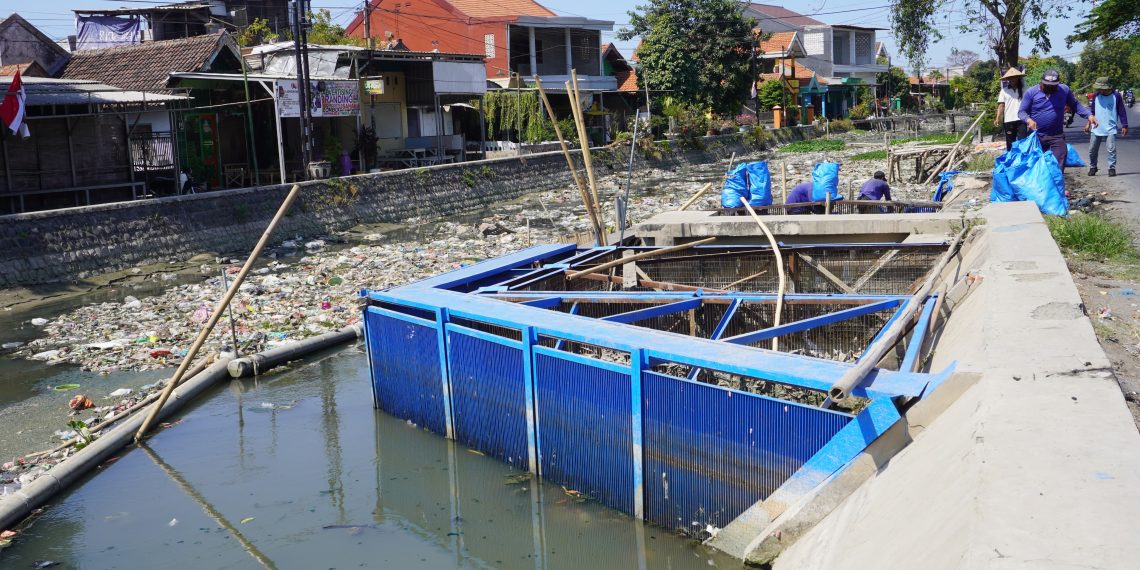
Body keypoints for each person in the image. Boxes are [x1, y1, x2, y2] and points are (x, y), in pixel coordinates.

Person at [1018, 69, 1097, 169]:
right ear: (1041, 82)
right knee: (1036, 167)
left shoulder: (1064, 90)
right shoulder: (1031, 93)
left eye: (1053, 86)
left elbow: (1075, 105)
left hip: (1056, 136)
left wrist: (1089, 115)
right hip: (1036, 136)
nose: (1050, 88)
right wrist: (1028, 120)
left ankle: (1056, 183)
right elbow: (1021, 112)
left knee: (1058, 165)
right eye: (1047, 85)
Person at [1085, 76, 1129, 177]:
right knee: (1092, 149)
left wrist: (1124, 125)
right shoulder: (1096, 96)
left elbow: (1122, 111)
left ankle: (1111, 168)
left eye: (1102, 88)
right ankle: (1093, 167)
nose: (1100, 90)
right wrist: (1088, 124)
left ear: (1108, 88)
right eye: (1099, 88)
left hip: (1110, 128)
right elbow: (1092, 112)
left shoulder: (1116, 96)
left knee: (1111, 149)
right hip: (1096, 128)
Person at [995, 67, 1026, 151]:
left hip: (1022, 119)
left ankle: (1022, 160)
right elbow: (1001, 105)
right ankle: (1011, 159)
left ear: (1018, 78)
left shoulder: (1025, 89)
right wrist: (998, 118)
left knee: (1022, 141)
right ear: (1008, 79)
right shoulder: (1004, 91)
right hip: (1009, 120)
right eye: (1010, 78)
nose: (1012, 80)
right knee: (1010, 142)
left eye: (1014, 77)